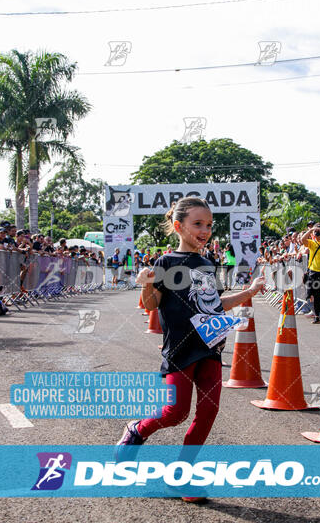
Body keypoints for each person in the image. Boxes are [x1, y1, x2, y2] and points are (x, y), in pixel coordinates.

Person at [114, 196, 266, 503]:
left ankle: (180, 476)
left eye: (209, 225)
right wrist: (145, 284)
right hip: (180, 349)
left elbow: (215, 305)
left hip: (209, 347)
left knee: (208, 410)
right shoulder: (165, 263)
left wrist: (248, 292)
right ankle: (136, 430)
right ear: (178, 226)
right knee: (176, 412)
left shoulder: (208, 264)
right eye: (198, 224)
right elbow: (150, 305)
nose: (205, 230)